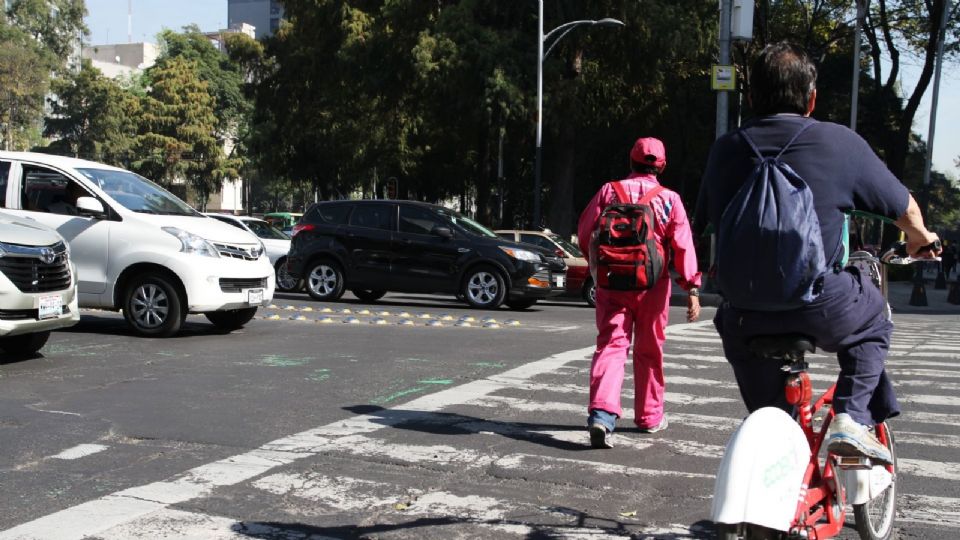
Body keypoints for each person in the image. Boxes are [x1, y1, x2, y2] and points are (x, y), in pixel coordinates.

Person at [699, 42, 939, 464]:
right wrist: (922, 239)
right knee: (875, 317)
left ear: (752, 97)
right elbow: (906, 209)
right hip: (821, 305)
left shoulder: (725, 148)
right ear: (812, 98)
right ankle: (851, 416)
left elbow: (705, 219)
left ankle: (776, 435)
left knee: (770, 410)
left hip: (742, 314)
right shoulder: (837, 142)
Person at [577, 136, 702, 449]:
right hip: (652, 287)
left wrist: (598, 268)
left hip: (611, 282)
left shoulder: (609, 191)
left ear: (630, 161)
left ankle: (603, 416)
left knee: (611, 346)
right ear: (661, 166)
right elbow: (683, 244)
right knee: (649, 350)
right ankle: (649, 416)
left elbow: (584, 231)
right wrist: (692, 287)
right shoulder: (669, 199)